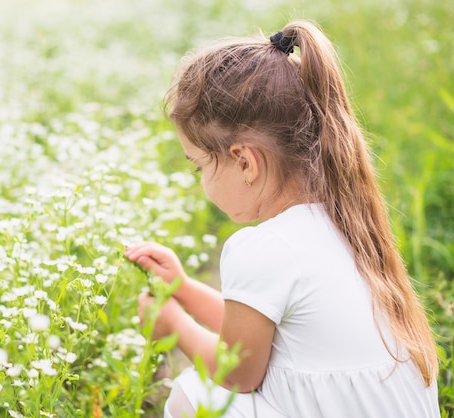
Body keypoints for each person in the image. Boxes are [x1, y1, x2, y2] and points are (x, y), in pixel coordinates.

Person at [124, 20, 440, 418]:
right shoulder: (344, 221)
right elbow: (255, 330)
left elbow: (237, 372)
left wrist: (171, 322)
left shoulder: (260, 249)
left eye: (199, 166)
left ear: (244, 162)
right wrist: (184, 289)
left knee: (190, 395)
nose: (200, 180)